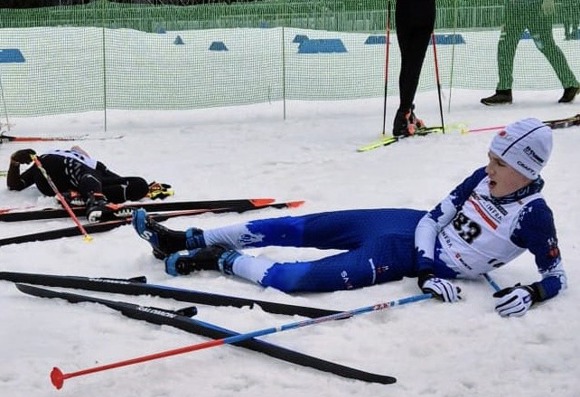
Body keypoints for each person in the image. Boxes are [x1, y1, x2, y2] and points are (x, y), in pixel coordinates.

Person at [132, 117, 566, 318]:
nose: (489, 169)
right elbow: (433, 219)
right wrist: (430, 269)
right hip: (406, 228)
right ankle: (185, 238)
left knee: (296, 281)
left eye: (500, 165)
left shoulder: (534, 216)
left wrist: (532, 293)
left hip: (403, 255)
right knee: (298, 227)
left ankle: (217, 260)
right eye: (489, 157)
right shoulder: (481, 177)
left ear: (527, 171)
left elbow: (557, 276)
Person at [7, 146, 171, 221]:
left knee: (139, 184)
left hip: (83, 183)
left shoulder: (94, 164)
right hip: (51, 170)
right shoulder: (56, 155)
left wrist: (146, 189)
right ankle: (95, 201)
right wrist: (15, 162)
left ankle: (79, 196)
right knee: (83, 172)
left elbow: (117, 179)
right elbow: (16, 185)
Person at [481, 0, 579, 105]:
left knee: (546, 46)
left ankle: (570, 84)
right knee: (505, 46)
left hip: (536, 7)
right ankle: (504, 91)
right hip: (514, 8)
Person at [391, 0, 436, 136]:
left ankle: (407, 111)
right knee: (413, 64)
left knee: (407, 63)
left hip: (404, 11)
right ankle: (403, 114)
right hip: (423, 11)